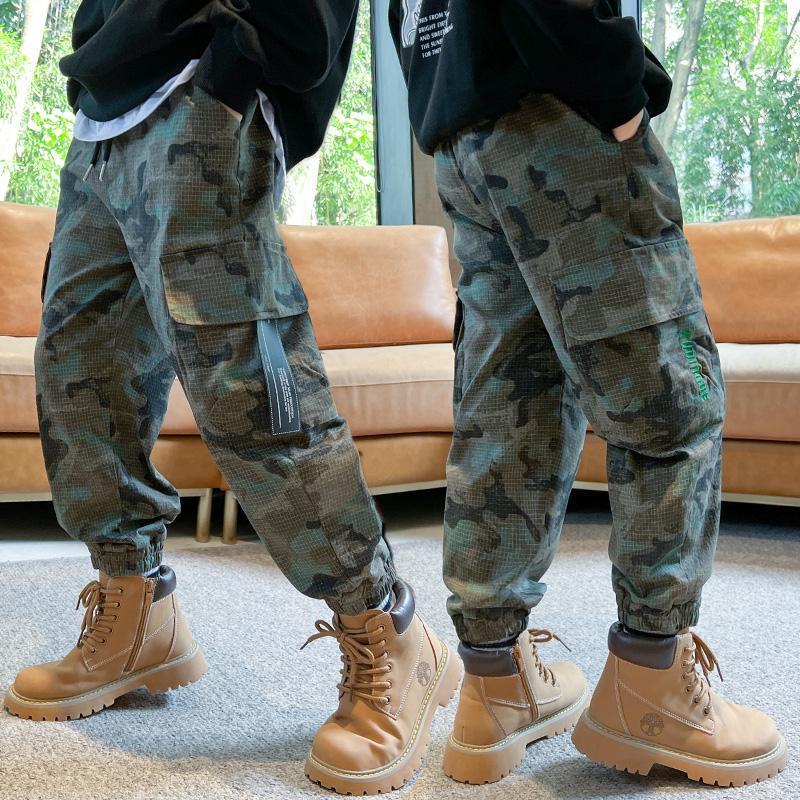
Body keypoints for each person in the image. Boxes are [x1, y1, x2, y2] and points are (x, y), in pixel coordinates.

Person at [2, 1, 461, 794]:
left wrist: (234, 73)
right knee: (79, 376)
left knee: (251, 391)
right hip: (103, 119)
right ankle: (136, 608)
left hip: (205, 98)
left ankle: (387, 626)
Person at [389, 0, 786, 788]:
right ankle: (653, 682)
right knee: (672, 404)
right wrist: (618, 92)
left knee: (511, 409)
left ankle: (495, 685)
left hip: (460, 128)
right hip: (557, 111)